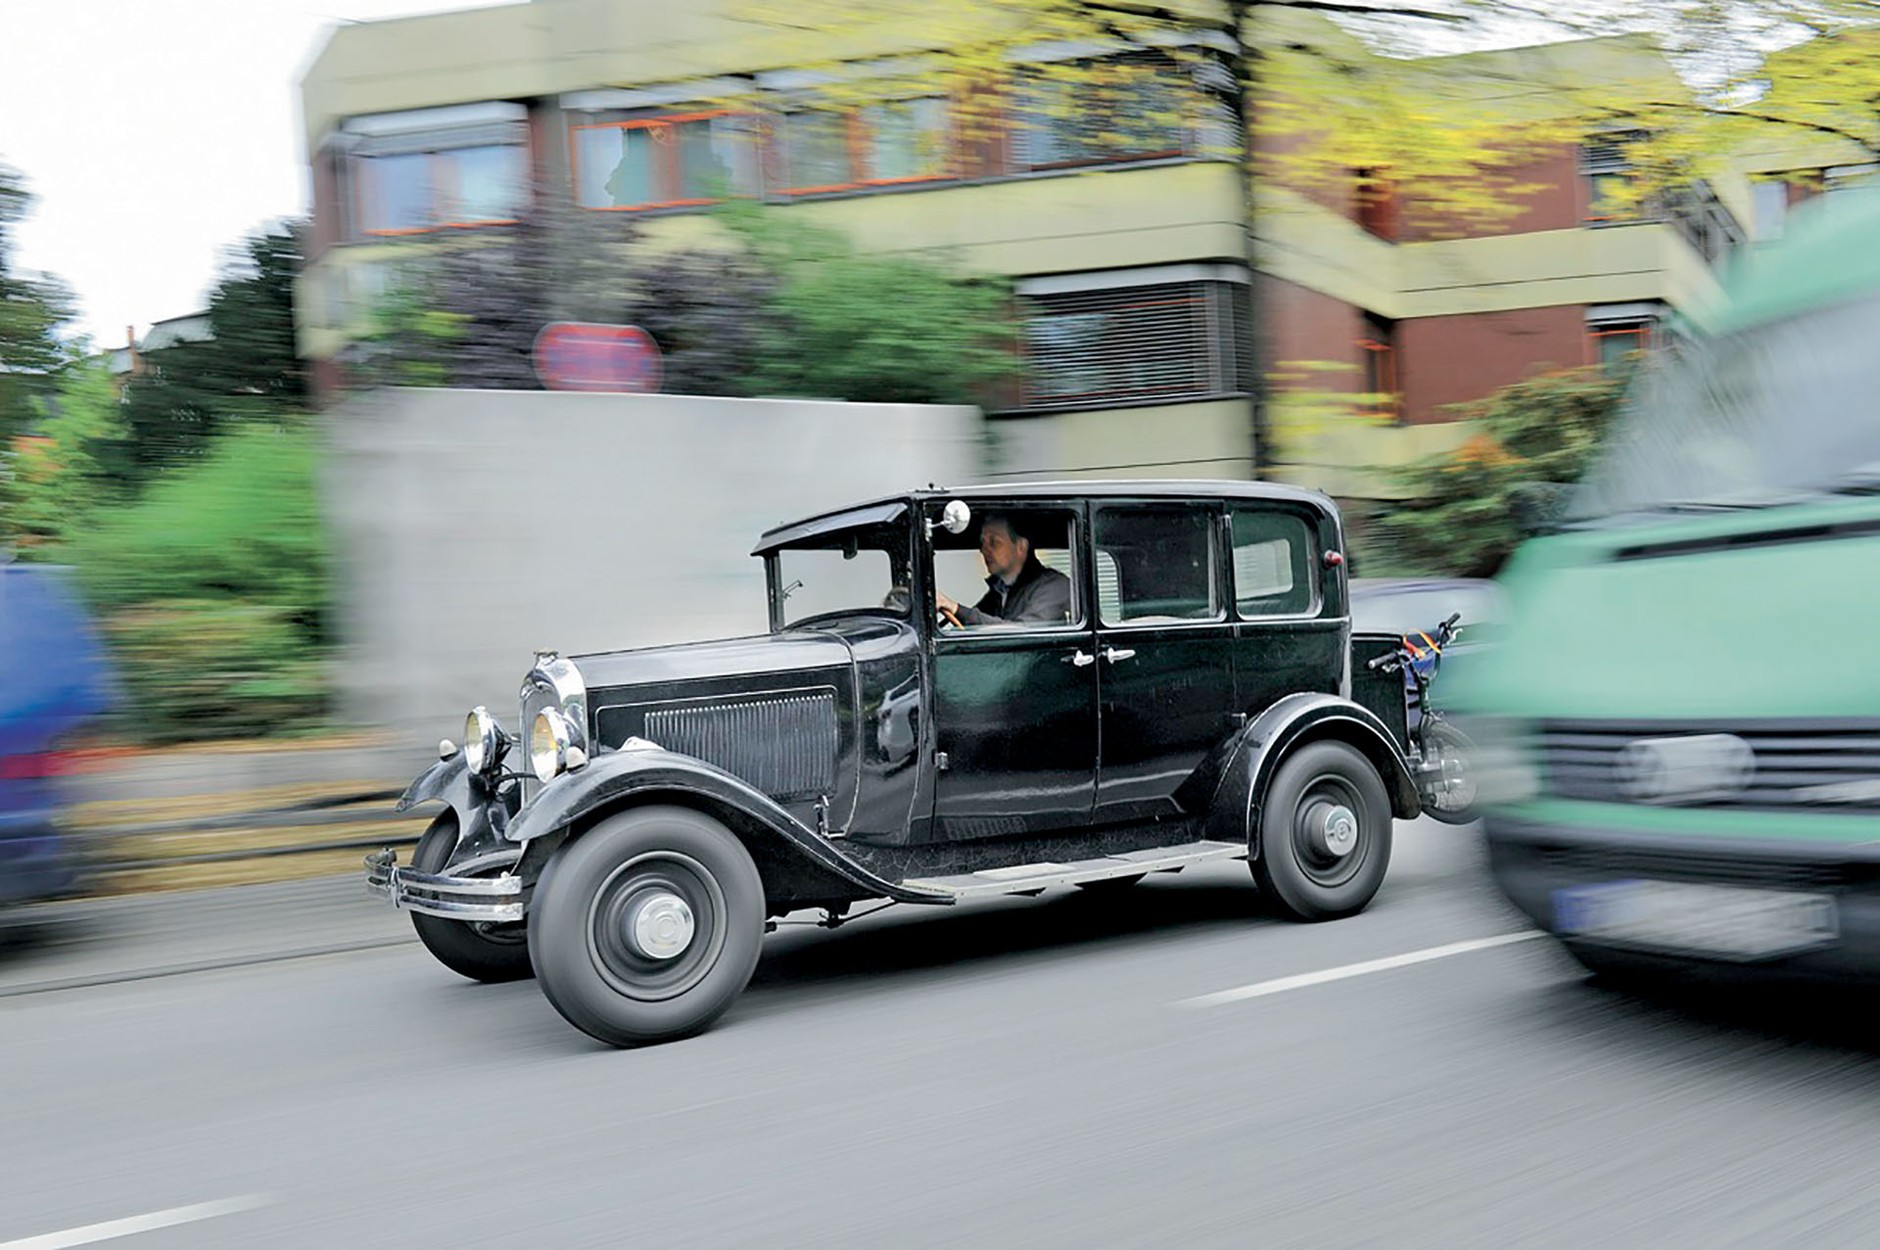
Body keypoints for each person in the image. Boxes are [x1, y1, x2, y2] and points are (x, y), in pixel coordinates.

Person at [936, 513, 1073, 626]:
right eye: (983, 542)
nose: (984, 550)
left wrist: (956, 609)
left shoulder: (1054, 587)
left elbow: (1022, 635)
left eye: (994, 542)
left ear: (1021, 547)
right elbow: (978, 623)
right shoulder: (999, 591)